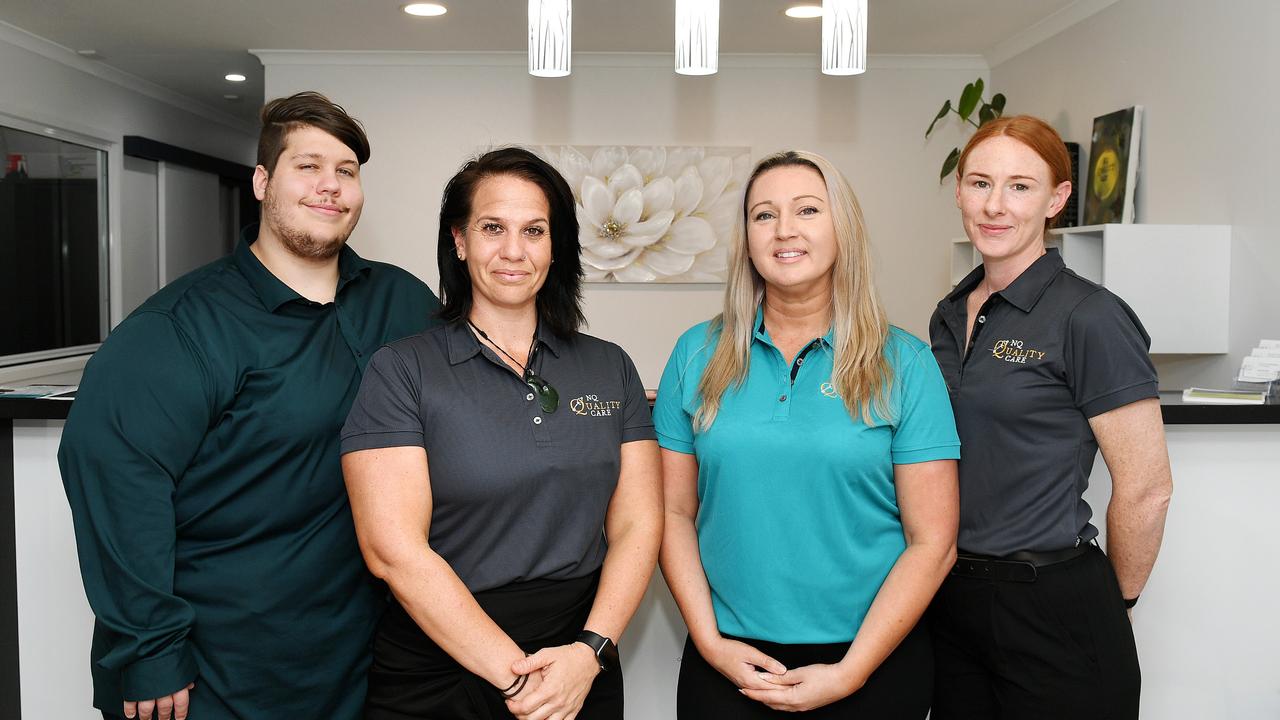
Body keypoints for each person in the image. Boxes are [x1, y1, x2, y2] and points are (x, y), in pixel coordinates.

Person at [58, 91, 441, 720]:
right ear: (262, 182)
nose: (330, 186)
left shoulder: (400, 301)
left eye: (346, 171)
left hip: (363, 655)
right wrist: (149, 651)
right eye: (307, 166)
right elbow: (115, 479)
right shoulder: (179, 327)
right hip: (217, 665)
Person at [339, 146, 663, 720]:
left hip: (578, 661)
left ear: (555, 247)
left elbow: (639, 522)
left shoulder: (610, 366)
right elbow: (392, 550)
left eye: (534, 230)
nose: (513, 251)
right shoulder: (402, 370)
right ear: (460, 242)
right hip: (440, 665)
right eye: (493, 228)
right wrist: (520, 681)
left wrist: (589, 653)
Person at [654, 150, 960, 718]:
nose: (784, 230)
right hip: (728, 664)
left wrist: (851, 673)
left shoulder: (907, 363)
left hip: (873, 662)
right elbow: (671, 514)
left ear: (843, 229)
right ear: (745, 237)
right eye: (763, 215)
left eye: (808, 210)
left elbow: (933, 542)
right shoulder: (696, 353)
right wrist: (711, 643)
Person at [928, 115, 1174, 719]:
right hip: (950, 598)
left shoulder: (1089, 315)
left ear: (1056, 199)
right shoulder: (948, 312)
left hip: (1054, 599)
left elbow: (1147, 487)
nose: (994, 205)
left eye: (1020, 186)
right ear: (959, 190)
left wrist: (1117, 605)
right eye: (980, 183)